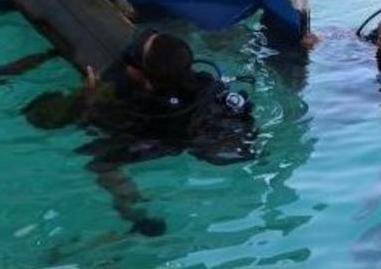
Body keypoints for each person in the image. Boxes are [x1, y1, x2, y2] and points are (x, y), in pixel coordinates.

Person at [23, 27, 256, 236]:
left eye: (132, 58)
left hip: (172, 138)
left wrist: (90, 98)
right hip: (222, 131)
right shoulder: (204, 82)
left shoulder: (146, 111)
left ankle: (136, 213)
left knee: (100, 162)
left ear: (146, 81)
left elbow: (98, 124)